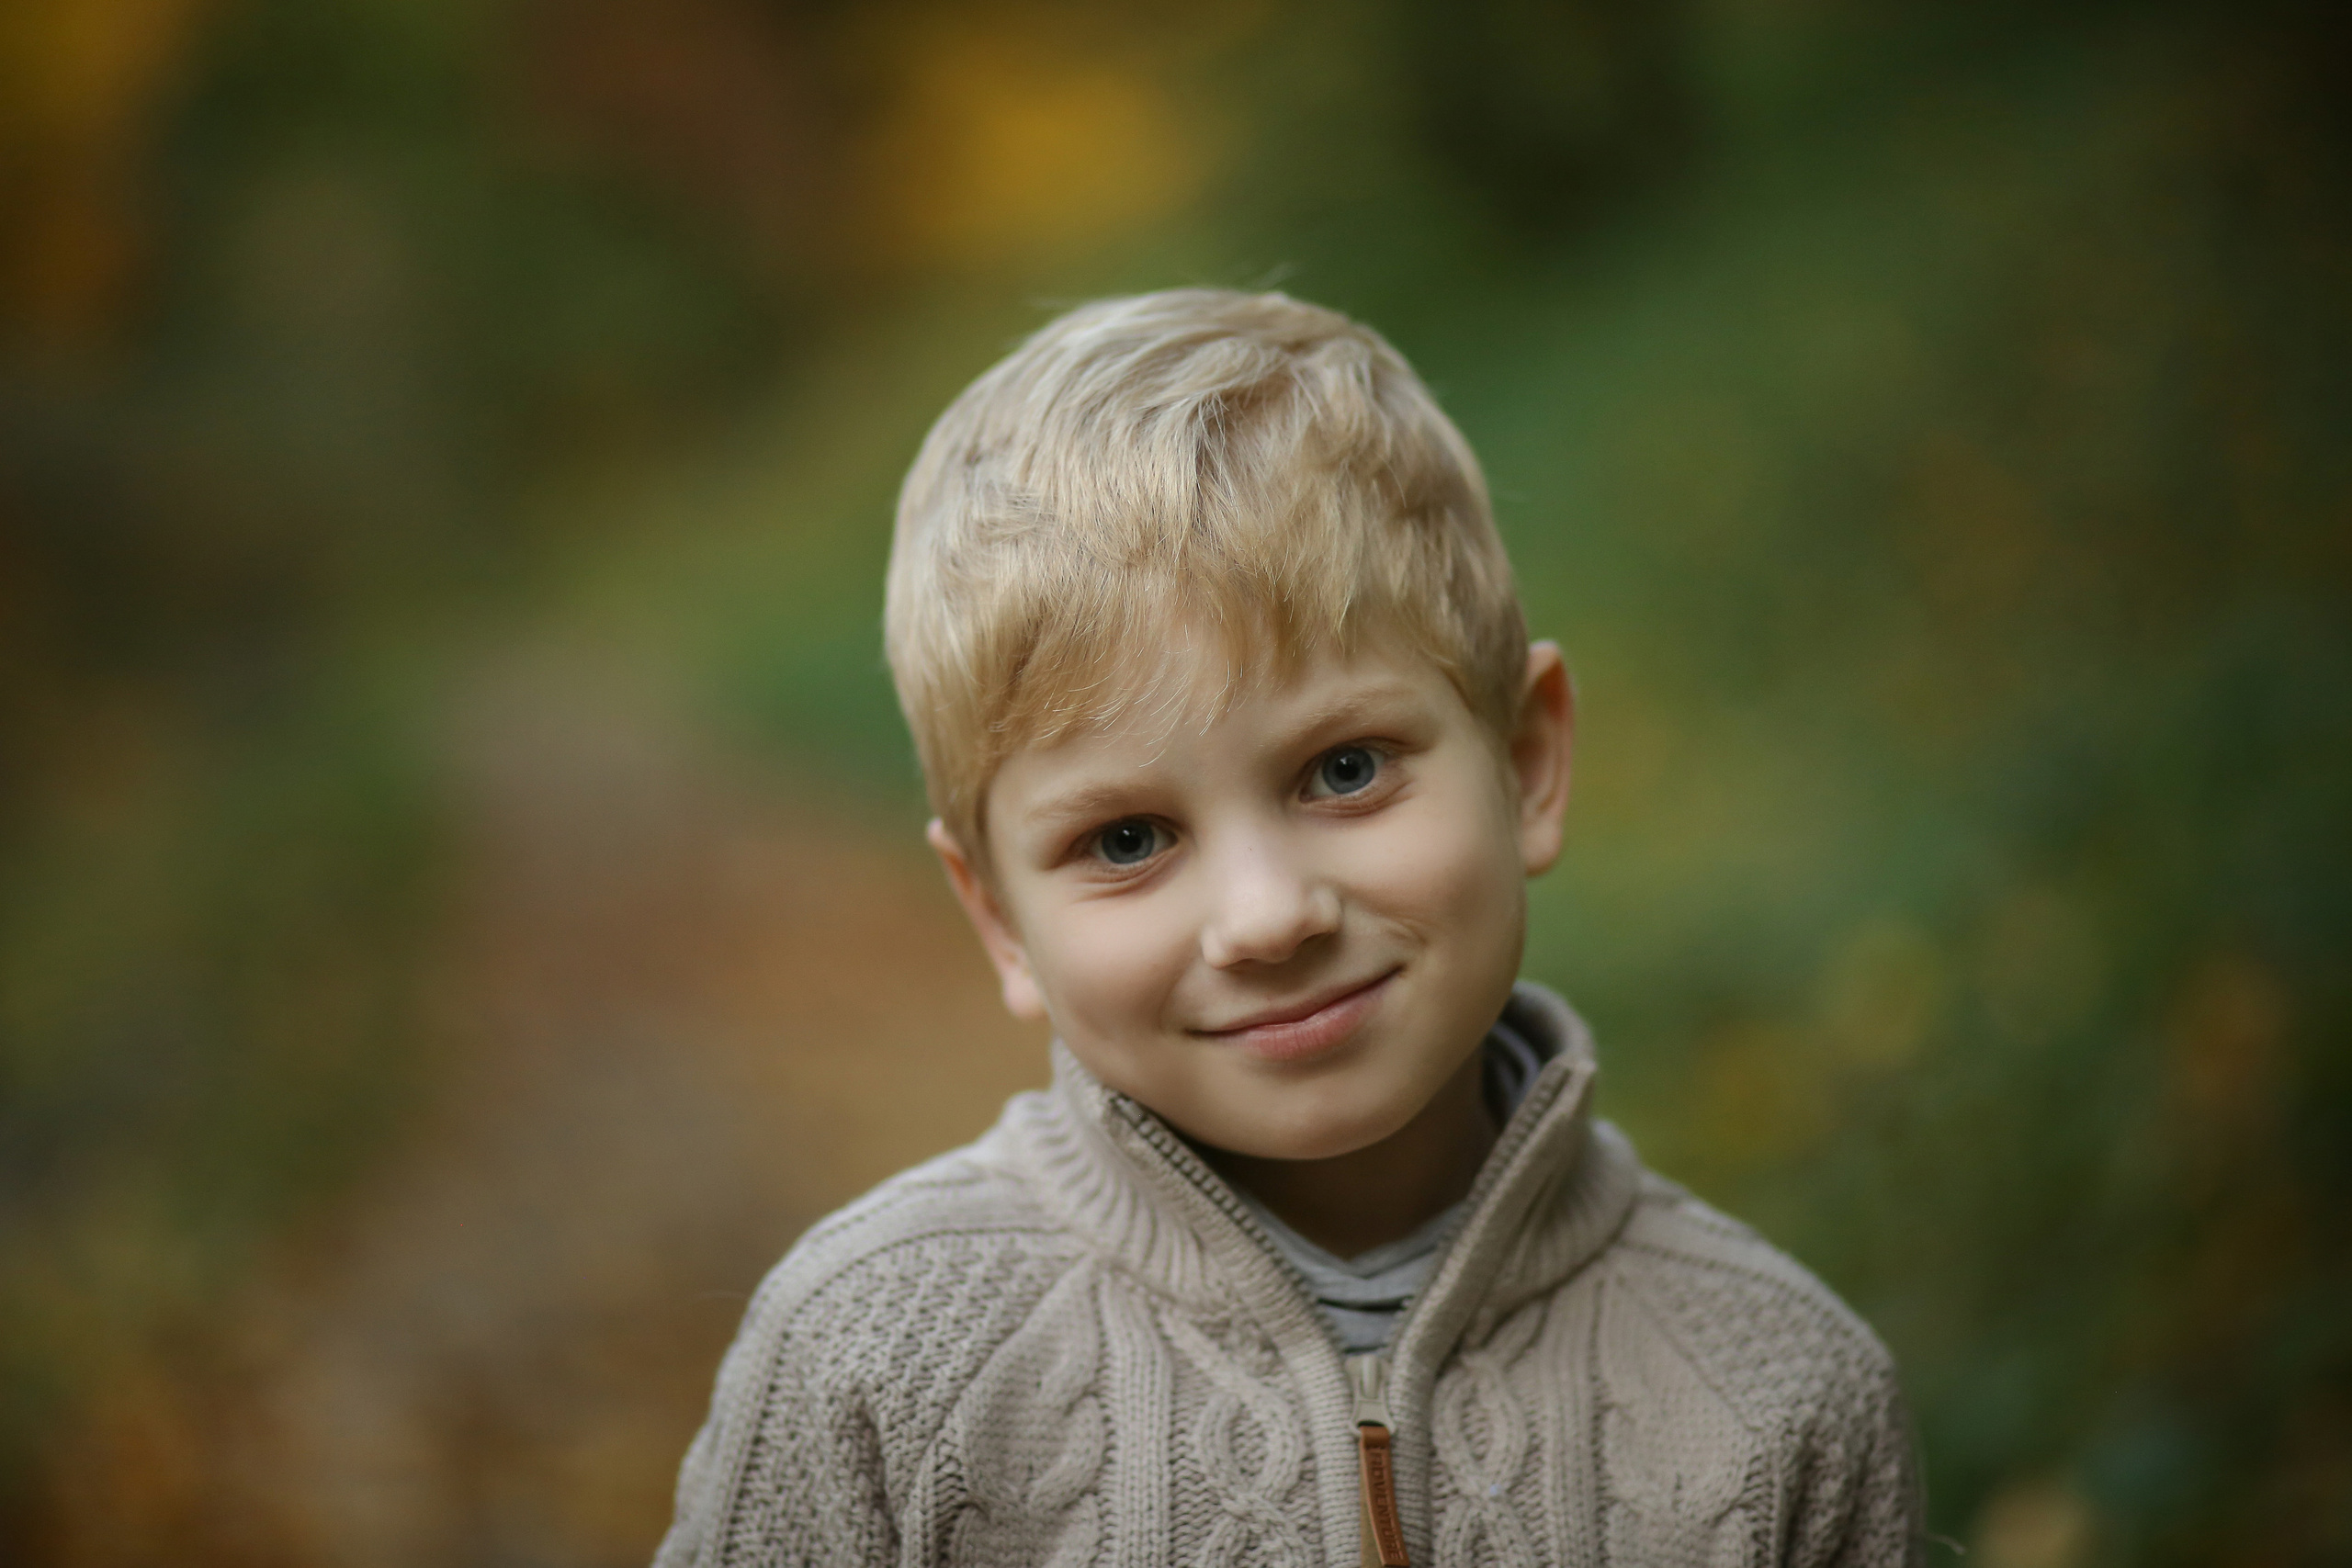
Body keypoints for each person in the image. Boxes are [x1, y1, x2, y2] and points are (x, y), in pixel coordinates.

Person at [653, 289, 1924, 1566]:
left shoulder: (1780, 1398)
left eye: (1346, 770)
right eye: (1129, 842)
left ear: (1527, 761)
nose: (1265, 919)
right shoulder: (876, 1359)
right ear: (998, 921)